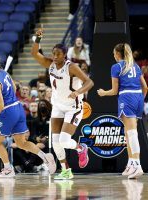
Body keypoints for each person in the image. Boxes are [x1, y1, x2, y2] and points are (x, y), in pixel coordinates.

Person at [0, 50, 56, 178]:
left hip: (8, 112)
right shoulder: (4, 72)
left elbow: (0, 106)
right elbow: (15, 89)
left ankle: (8, 169)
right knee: (21, 143)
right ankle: (45, 156)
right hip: (18, 108)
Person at [31, 27, 94, 180]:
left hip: (73, 107)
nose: (55, 56)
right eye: (53, 54)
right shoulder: (50, 64)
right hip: (58, 106)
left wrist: (78, 92)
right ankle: (66, 171)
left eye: (58, 54)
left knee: (65, 141)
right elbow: (34, 53)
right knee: (56, 142)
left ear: (65, 54)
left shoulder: (72, 67)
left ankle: (81, 148)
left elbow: (89, 82)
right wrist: (37, 38)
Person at [97, 43, 147, 179]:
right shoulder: (135, 66)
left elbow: (114, 91)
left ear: (118, 54)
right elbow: (146, 87)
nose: (113, 56)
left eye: (114, 53)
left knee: (131, 134)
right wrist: (139, 100)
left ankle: (137, 165)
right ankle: (131, 163)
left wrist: (102, 93)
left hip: (127, 97)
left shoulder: (116, 67)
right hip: (138, 97)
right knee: (128, 132)